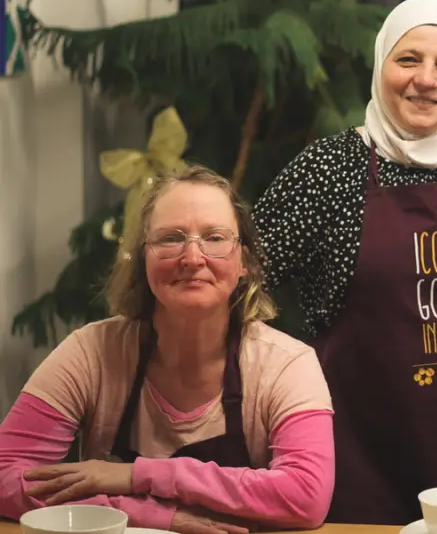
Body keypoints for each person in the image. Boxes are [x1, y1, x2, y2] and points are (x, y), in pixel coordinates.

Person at [253, 0, 437, 526]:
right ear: (381, 66)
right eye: (408, 59)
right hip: (357, 456)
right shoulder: (329, 169)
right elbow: (241, 283)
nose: (426, 79)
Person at [0, 165, 335, 534]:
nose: (192, 258)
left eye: (215, 237)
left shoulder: (288, 365)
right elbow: (6, 475)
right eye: (171, 238)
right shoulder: (91, 353)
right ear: (143, 259)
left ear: (245, 263)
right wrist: (156, 517)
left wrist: (134, 475)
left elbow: (306, 496)